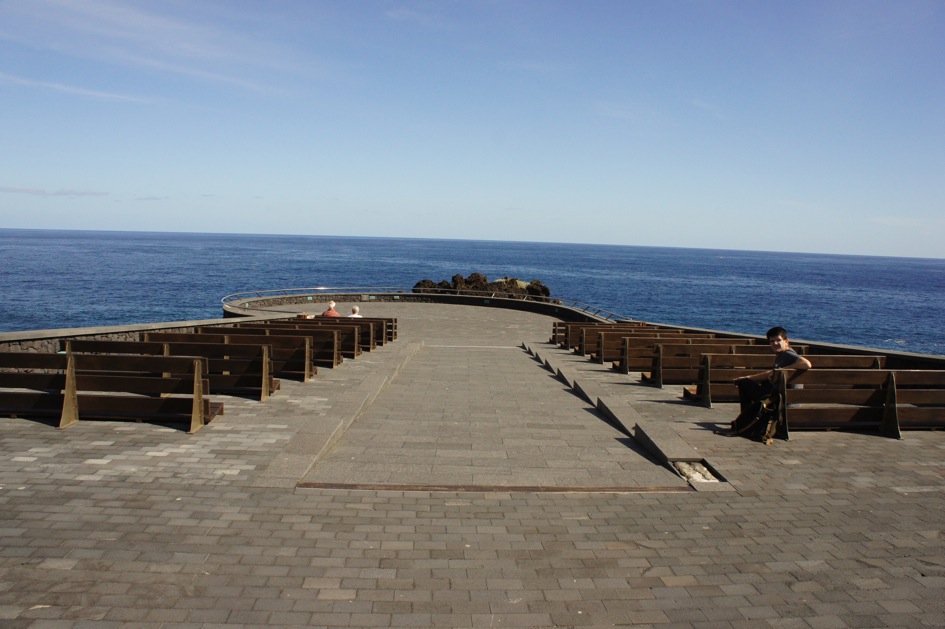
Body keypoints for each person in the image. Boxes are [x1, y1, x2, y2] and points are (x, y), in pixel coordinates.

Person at [735, 326, 811, 410]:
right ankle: (749, 416)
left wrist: (781, 370)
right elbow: (770, 373)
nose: (775, 343)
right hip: (788, 401)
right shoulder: (783, 355)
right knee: (748, 381)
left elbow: (806, 364)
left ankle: (746, 418)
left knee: (743, 383)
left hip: (781, 403)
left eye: (778, 340)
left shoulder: (788, 354)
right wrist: (749, 378)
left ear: (786, 341)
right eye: (772, 341)